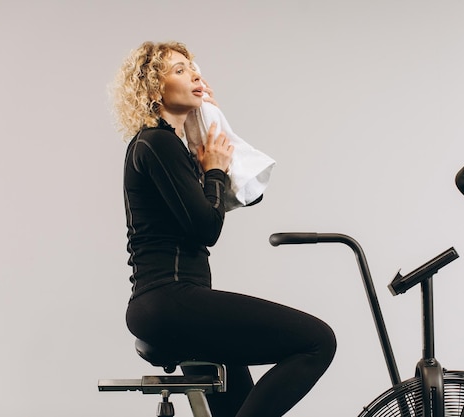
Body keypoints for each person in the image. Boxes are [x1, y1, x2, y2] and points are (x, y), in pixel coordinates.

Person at [111, 41, 336, 417]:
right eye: (179, 70)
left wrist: (210, 119)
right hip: (169, 301)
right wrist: (213, 169)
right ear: (153, 88)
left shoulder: (176, 149)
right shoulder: (156, 143)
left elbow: (245, 195)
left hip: (175, 305)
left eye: (193, 67)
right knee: (317, 342)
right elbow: (207, 227)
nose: (194, 73)